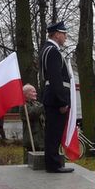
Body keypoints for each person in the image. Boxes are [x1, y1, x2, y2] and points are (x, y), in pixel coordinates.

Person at [40, 20, 73, 173]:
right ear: (57, 34)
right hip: (55, 99)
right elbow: (55, 78)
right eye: (64, 34)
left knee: (53, 132)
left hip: (52, 97)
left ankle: (53, 162)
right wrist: (62, 101)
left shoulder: (47, 49)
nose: (65, 37)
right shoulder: (52, 51)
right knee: (54, 133)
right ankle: (53, 164)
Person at [19, 84, 45, 163]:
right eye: (33, 92)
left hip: (40, 139)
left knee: (40, 164)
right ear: (26, 94)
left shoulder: (36, 104)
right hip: (31, 140)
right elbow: (33, 113)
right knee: (30, 164)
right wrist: (44, 104)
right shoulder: (23, 105)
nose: (36, 93)